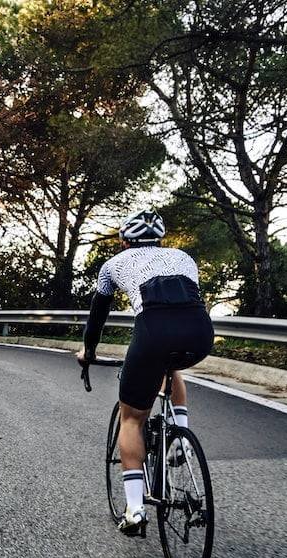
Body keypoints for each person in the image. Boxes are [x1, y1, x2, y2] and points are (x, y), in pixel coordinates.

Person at [77, 210, 214, 536]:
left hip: (153, 332)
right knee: (171, 366)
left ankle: (135, 508)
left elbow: (97, 316)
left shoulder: (113, 265)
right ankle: (180, 437)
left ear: (125, 240)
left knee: (132, 419)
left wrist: (89, 353)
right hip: (200, 333)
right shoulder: (183, 257)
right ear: (161, 239)